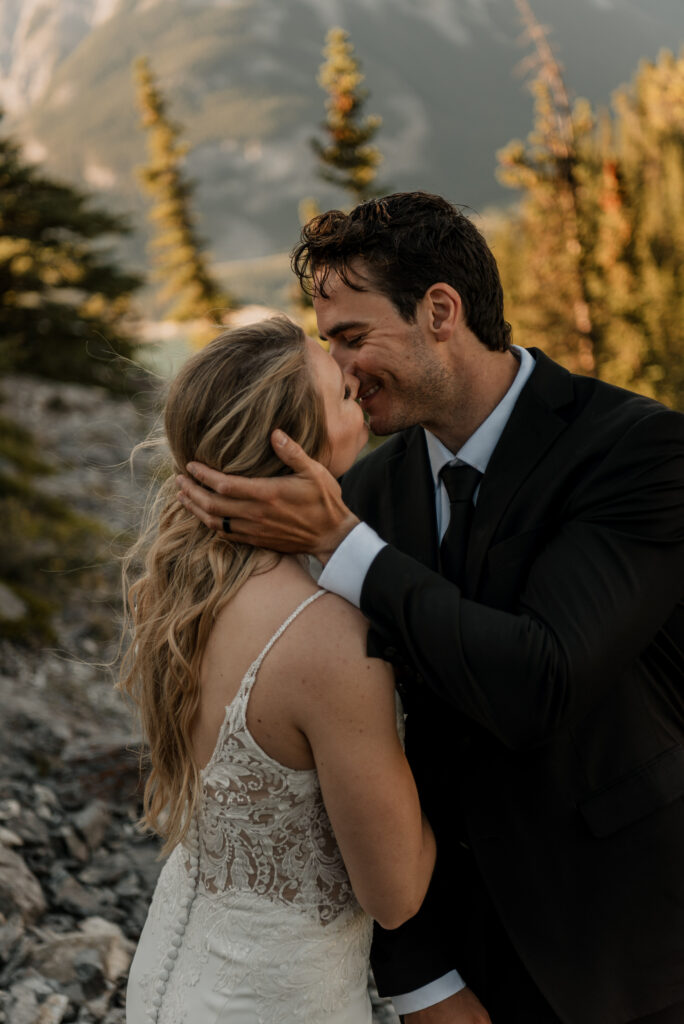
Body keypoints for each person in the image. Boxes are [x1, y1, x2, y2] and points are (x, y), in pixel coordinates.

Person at [177, 192, 684, 1024]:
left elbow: (541, 683)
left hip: (635, 950)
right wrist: (422, 982)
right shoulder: (363, 491)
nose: (339, 371)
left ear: (440, 311)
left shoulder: (636, 450)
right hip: (460, 965)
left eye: (352, 337)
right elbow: (354, 764)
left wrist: (347, 553)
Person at [120, 316, 437, 1024]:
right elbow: (395, 893)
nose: (353, 378)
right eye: (335, 387)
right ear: (291, 448)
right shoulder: (327, 635)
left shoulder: (184, 590)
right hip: (276, 1001)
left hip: (172, 974)